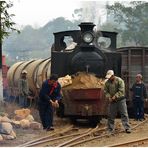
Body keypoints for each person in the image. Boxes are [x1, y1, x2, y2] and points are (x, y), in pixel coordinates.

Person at [104, 70, 131, 135]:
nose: (109, 78)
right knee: (111, 115)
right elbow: (106, 91)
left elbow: (121, 90)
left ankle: (127, 128)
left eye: (110, 77)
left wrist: (115, 96)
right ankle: (110, 129)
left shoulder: (120, 80)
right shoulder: (107, 83)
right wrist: (109, 97)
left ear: (113, 76)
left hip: (121, 100)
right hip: (113, 101)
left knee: (124, 114)